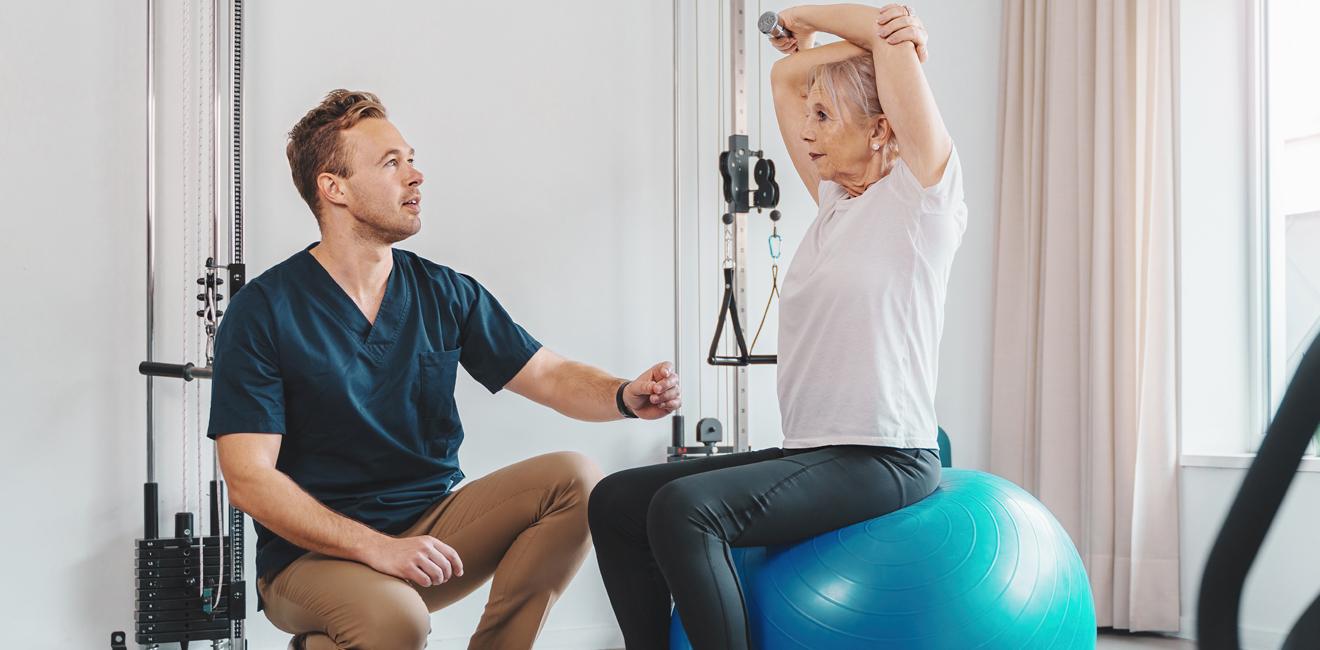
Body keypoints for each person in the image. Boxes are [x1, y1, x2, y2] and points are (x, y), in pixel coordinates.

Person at [208, 89, 681, 650]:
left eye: (410, 158)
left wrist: (625, 394)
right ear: (333, 188)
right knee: (395, 623)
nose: (416, 175)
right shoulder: (264, 311)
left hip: (431, 532)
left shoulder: (444, 292)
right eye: (391, 163)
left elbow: (548, 375)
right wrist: (376, 548)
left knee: (576, 481)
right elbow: (248, 479)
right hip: (310, 558)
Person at [587, 5, 964, 649]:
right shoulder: (834, 202)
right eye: (810, 119)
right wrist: (821, 47)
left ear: (881, 129)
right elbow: (788, 79)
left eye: (826, 117)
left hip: (887, 457)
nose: (807, 131)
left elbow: (885, 26)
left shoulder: (922, 200)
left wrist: (804, 17)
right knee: (617, 501)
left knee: (686, 513)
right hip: (815, 450)